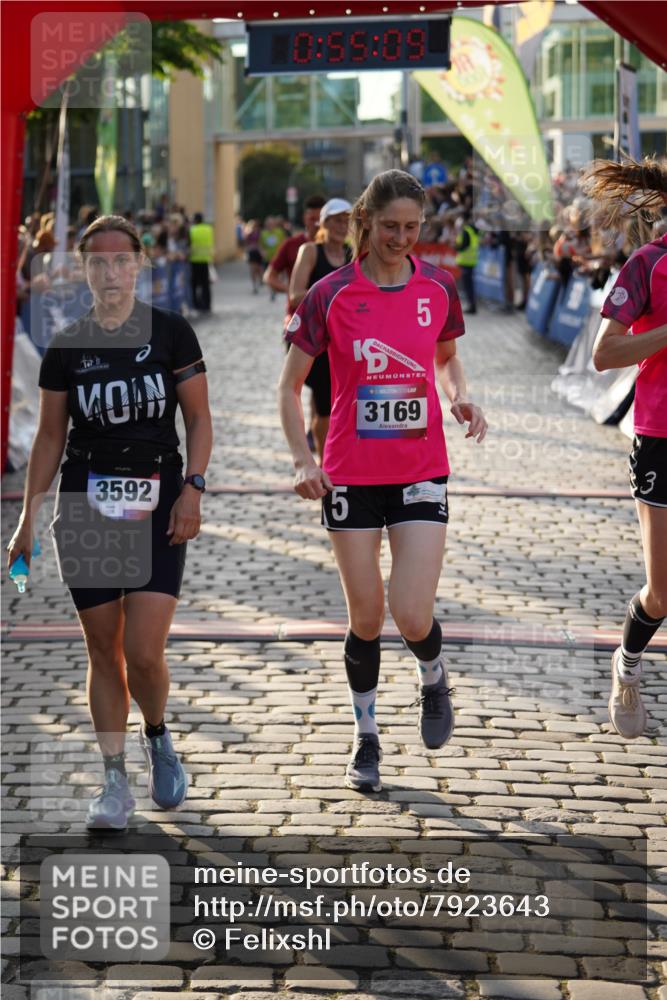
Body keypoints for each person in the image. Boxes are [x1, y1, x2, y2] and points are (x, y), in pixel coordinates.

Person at [278, 170, 487, 793]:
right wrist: (302, 459)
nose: (402, 238)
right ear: (365, 221)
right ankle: (365, 735)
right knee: (366, 616)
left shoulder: (438, 288)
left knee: (412, 612)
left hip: (421, 469)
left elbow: (446, 360)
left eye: (413, 228)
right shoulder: (330, 294)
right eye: (391, 226)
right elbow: (288, 388)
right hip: (350, 475)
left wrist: (460, 399)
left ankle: (432, 675)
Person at [7, 214, 213, 829]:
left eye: (121, 260)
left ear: (140, 264)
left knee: (144, 652)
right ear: (82, 269)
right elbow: (48, 437)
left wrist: (193, 490)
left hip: (158, 500)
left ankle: (157, 734)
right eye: (97, 262)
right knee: (103, 649)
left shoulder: (172, 333)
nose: (110, 272)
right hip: (87, 504)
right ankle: (114, 780)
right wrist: (26, 520)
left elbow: (199, 420)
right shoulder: (67, 345)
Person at [583, 156, 667, 740]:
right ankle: (628, 665)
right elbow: (604, 353)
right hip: (662, 436)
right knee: (664, 592)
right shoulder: (647, 265)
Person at [288, 197, 352, 460]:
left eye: (347, 221)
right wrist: (333, 297)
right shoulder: (311, 251)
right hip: (313, 339)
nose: (342, 226)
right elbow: (294, 295)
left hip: (343, 338)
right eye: (337, 220)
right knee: (324, 406)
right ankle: (327, 463)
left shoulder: (353, 253)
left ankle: (337, 455)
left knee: (342, 403)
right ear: (324, 223)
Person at [263, 195, 326, 301]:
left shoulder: (336, 247)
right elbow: (269, 276)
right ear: (304, 218)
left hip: (328, 314)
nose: (316, 224)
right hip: (296, 313)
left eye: (320, 219)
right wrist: (292, 291)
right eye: (312, 219)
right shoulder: (291, 244)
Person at [189, 211, 215, 313]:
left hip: (194, 260)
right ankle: (207, 304)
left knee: (194, 284)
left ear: (195, 220)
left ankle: (196, 304)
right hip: (206, 259)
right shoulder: (209, 229)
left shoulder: (192, 229)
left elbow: (190, 244)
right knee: (206, 284)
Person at [455, 210, 479, 315]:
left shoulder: (466, 231)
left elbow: (463, 246)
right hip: (472, 261)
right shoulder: (473, 230)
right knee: (470, 285)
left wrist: (456, 246)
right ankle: (472, 304)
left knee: (468, 286)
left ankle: (472, 306)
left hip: (466, 261)